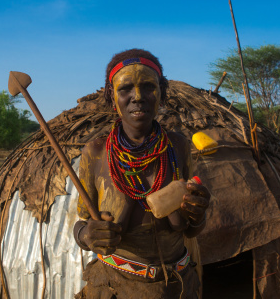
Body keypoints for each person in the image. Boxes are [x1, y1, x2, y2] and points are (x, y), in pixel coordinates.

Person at [74, 49, 210, 299]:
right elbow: (83, 223)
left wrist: (198, 213)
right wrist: (88, 235)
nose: (137, 97)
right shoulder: (95, 152)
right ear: (112, 96)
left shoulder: (178, 146)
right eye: (125, 88)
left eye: (148, 86)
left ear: (161, 93)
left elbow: (189, 230)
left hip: (177, 286)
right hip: (116, 286)